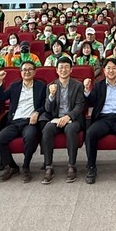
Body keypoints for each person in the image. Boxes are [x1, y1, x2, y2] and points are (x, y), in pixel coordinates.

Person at [0, 63, 47, 182]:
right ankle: (12, 166)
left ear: (34, 72)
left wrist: (37, 112)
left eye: (29, 70)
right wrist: (0, 82)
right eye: (24, 70)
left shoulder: (41, 86)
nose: (26, 72)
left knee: (30, 137)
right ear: (21, 72)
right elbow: (0, 97)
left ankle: (26, 166)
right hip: (14, 121)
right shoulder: (14, 86)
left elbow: (46, 105)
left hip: (29, 121)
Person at [40, 56, 85, 184]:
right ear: (56, 70)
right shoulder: (51, 86)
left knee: (71, 129)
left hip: (72, 119)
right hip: (56, 118)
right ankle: (48, 166)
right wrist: (51, 95)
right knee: (47, 129)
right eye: (61, 68)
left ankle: (72, 165)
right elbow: (47, 109)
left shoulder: (78, 85)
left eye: (66, 67)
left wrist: (68, 116)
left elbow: (79, 105)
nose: (63, 70)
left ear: (71, 70)